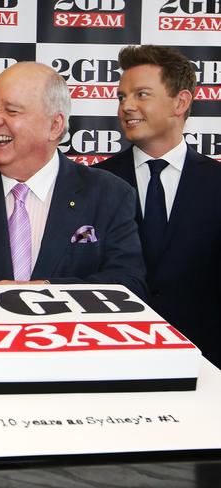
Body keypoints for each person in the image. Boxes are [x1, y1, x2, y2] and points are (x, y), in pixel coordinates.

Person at [0, 62, 146, 298]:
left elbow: (128, 283)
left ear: (55, 125)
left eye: (11, 111)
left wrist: (44, 292)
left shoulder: (109, 194)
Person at [97, 45, 221, 368]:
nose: (127, 106)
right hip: (111, 360)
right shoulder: (95, 183)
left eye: (141, 94)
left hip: (205, 368)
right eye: (122, 97)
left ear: (180, 102)